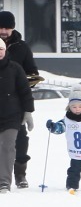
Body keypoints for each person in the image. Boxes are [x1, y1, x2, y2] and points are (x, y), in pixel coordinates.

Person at [0, 9, 40, 187]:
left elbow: (33, 73)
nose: (3, 31)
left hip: (16, 104)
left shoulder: (22, 47)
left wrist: (21, 87)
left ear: (13, 28)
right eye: (0, 27)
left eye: (7, 28)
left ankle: (20, 174)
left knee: (21, 140)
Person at [0, 38, 34, 192]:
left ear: (5, 50)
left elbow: (25, 91)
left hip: (12, 116)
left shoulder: (15, 68)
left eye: (0, 49)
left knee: (8, 147)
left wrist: (28, 112)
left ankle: (4, 182)